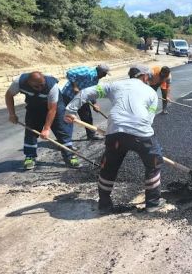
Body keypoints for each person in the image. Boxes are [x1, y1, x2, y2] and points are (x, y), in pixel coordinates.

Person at [64, 64, 165, 214]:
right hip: (142, 135)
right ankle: (152, 204)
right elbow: (149, 119)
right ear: (144, 77)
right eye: (148, 78)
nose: (149, 81)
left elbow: (85, 92)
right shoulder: (151, 93)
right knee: (154, 163)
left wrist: (70, 111)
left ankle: (104, 205)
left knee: (109, 166)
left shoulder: (114, 85)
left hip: (116, 132)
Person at [5, 71, 80, 170]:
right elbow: (8, 95)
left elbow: (52, 109)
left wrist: (46, 128)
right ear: (29, 83)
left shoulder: (51, 86)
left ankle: (70, 156)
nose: (40, 88)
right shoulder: (19, 82)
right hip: (34, 106)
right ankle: (30, 157)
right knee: (31, 131)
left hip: (55, 106)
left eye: (42, 85)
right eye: (36, 86)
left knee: (62, 129)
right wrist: (12, 114)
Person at [61, 64, 110, 140]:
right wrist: (75, 86)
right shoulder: (86, 71)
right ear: (100, 71)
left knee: (87, 116)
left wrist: (94, 104)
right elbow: (70, 73)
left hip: (82, 98)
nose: (105, 76)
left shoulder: (96, 79)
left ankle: (91, 135)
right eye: (104, 74)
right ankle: (65, 140)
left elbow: (91, 92)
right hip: (69, 96)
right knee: (68, 118)